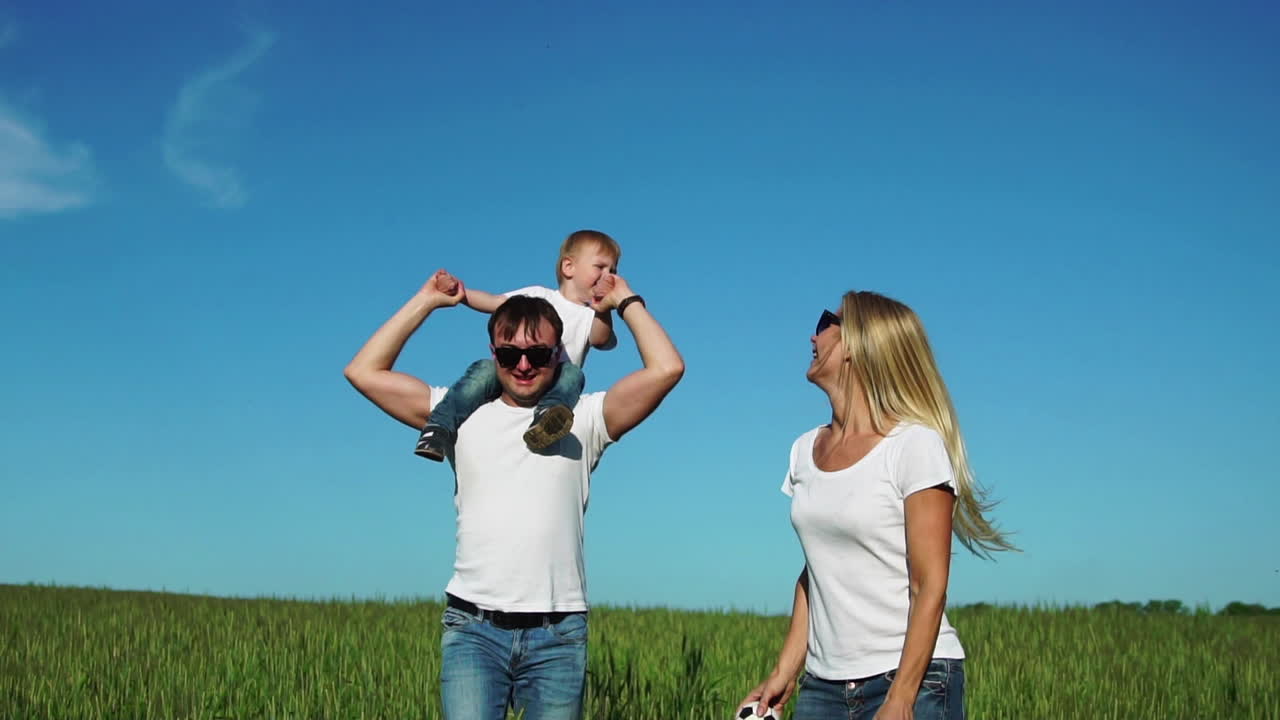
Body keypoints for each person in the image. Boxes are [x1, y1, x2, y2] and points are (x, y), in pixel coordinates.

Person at [343, 267, 683, 720]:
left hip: (558, 634)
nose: (523, 365)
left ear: (559, 355)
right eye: (509, 354)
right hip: (473, 630)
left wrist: (626, 299)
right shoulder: (458, 413)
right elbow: (363, 372)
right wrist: (426, 300)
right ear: (492, 353)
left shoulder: (584, 419)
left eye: (538, 354)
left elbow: (667, 368)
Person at [740, 291, 1016, 720]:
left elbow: (929, 585)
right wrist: (784, 671)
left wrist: (902, 698)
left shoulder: (914, 446)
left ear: (859, 344)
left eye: (825, 322)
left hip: (912, 678)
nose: (812, 337)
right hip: (822, 686)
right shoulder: (802, 451)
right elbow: (817, 572)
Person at [414, 230, 621, 461]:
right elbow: (494, 302)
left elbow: (602, 339)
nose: (608, 276)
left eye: (613, 270)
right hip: (514, 374)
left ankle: (547, 419)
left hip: (552, 382)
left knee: (573, 374)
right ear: (569, 267)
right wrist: (459, 293)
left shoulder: (590, 316)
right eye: (600, 267)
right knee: (482, 371)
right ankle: (439, 426)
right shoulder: (538, 295)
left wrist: (605, 307)